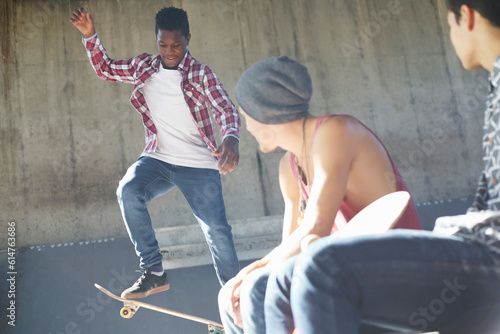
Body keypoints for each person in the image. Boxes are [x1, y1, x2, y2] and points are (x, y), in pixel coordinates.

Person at [263, 0, 500, 333]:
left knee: (323, 266)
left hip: (487, 253)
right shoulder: (495, 87)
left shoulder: (335, 132)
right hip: (474, 243)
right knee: (276, 279)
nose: (451, 36)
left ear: (466, 16)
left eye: (449, 25)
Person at [218, 56, 423, 333]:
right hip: (341, 274)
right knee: (232, 294)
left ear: (264, 112)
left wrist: (254, 274)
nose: (247, 127)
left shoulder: (335, 131)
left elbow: (316, 225)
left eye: (245, 115)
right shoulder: (288, 168)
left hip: (392, 269)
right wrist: (249, 274)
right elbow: (289, 248)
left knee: (257, 286)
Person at [69, 7, 241, 298]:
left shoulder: (201, 73)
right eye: (163, 45)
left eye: (176, 45)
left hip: (199, 164)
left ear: (187, 39)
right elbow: (106, 69)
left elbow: (224, 107)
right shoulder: (144, 66)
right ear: (156, 41)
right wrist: (90, 36)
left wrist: (231, 139)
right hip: (159, 159)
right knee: (128, 190)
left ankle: (237, 297)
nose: (170, 51)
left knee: (217, 231)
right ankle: (154, 272)